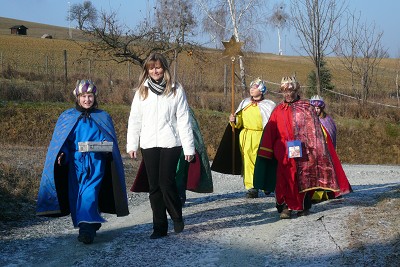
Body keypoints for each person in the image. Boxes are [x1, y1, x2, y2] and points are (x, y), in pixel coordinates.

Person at [36, 79, 129, 244]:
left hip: (96, 162)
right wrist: (62, 154)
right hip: (76, 164)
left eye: (90, 96)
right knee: (76, 196)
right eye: (83, 96)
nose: (87, 99)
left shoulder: (103, 117)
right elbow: (63, 141)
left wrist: (108, 152)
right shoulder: (67, 117)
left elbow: (108, 141)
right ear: (77, 97)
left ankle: (86, 229)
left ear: (95, 97)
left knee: (89, 193)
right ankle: (90, 222)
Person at [254, 76, 350, 219]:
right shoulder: (278, 110)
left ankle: (302, 206)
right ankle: (286, 206)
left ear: (296, 89)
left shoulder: (306, 108)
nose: (287, 94)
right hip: (283, 153)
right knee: (283, 179)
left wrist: (314, 150)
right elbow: (270, 131)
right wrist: (266, 150)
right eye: (284, 90)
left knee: (301, 179)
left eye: (290, 90)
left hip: (302, 152)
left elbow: (315, 132)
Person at [126, 52, 195, 239]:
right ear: (147, 70)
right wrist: (132, 144)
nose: (155, 71)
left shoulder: (175, 90)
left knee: (166, 182)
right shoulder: (142, 91)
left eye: (158, 67)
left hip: (171, 142)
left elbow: (183, 119)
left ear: (164, 68)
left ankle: (176, 215)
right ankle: (159, 227)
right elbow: (135, 120)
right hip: (148, 143)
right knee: (154, 187)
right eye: (151, 68)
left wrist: (189, 148)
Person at [130, 107, 213, 206]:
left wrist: (189, 147)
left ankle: (178, 199)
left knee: (178, 173)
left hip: (180, 147)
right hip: (163, 146)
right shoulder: (157, 108)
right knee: (161, 174)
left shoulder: (185, 109)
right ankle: (164, 199)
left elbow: (191, 130)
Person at [211, 77, 276, 198]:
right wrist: (234, 120)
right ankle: (251, 187)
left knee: (263, 161)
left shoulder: (269, 105)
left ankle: (266, 184)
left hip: (262, 136)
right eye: (251, 87)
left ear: (261, 90)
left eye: (254, 87)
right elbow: (239, 122)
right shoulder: (244, 103)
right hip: (246, 137)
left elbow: (273, 123)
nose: (251, 89)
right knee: (248, 162)